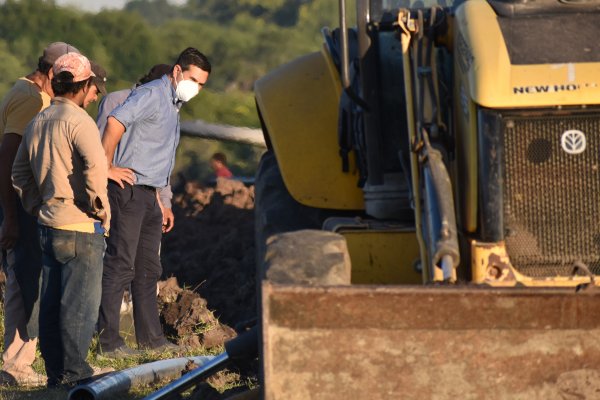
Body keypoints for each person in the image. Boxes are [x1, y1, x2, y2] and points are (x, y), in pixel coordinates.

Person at [98, 47, 211, 357]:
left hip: (149, 194)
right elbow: (114, 123)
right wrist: (105, 167)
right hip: (128, 190)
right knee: (120, 264)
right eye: (192, 79)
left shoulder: (173, 105)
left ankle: (152, 340)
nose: (195, 88)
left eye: (201, 84)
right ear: (176, 72)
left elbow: (160, 156)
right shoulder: (151, 94)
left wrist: (163, 200)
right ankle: (108, 344)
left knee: (148, 268)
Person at [12, 52, 110, 387]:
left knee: (51, 301)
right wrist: (98, 207)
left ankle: (56, 373)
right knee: (78, 305)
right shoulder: (80, 121)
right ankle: (75, 374)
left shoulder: (38, 120)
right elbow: (96, 167)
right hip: (80, 224)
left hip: (47, 222)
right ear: (84, 86)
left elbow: (19, 173)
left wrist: (37, 205)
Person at [0, 41, 80, 387]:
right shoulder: (32, 100)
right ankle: (17, 363)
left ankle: (21, 358)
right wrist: (12, 216)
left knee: (28, 278)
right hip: (18, 203)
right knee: (26, 279)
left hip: (19, 202)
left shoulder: (24, 91)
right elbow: (8, 160)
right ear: (50, 73)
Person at [96, 63, 175, 233]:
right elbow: (100, 142)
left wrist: (165, 203)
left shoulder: (170, 108)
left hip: (150, 194)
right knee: (120, 252)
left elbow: (163, 159)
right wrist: (106, 169)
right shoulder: (117, 100)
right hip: (119, 188)